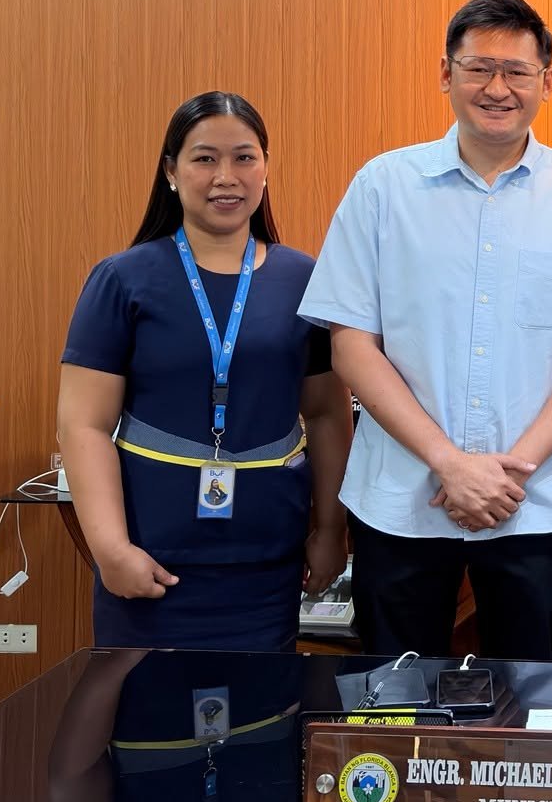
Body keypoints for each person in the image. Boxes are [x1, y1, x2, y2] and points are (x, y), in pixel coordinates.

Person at [299, 0, 552, 659]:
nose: (497, 88)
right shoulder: (383, 186)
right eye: (478, 68)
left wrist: (514, 469)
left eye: (517, 71)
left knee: (531, 697)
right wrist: (449, 464)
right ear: (445, 74)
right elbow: (351, 344)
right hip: (402, 497)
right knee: (393, 701)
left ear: (547, 82)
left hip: (537, 502)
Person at [57, 92, 352, 653]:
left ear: (265, 168)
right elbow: (84, 426)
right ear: (171, 171)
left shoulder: (304, 278)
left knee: (261, 717)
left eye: (244, 157)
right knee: (150, 718)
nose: (226, 176)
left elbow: (327, 413)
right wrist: (111, 550)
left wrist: (331, 530)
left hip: (268, 560)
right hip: (151, 558)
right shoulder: (121, 279)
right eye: (204, 158)